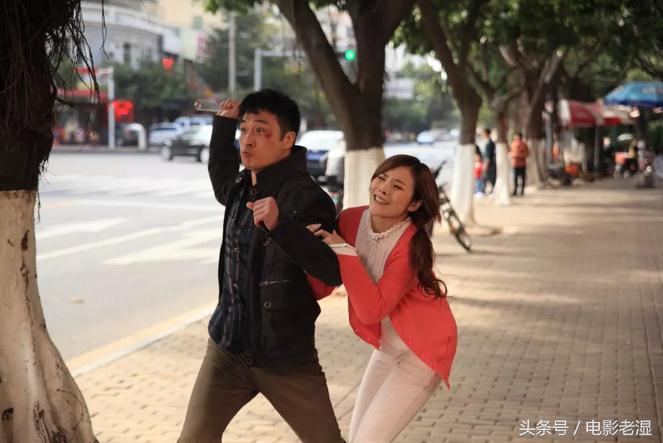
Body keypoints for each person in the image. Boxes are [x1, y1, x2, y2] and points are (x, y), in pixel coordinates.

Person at [178, 89, 344, 443]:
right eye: (244, 130)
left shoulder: (309, 199)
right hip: (227, 348)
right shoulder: (242, 186)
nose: (248, 140)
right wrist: (224, 126)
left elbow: (332, 270)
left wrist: (281, 225)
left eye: (261, 131)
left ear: (288, 139)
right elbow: (221, 176)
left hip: (285, 356)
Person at [309, 155, 457, 442]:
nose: (383, 189)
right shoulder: (350, 220)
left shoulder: (410, 244)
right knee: (358, 437)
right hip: (387, 349)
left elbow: (372, 310)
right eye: (381, 178)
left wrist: (343, 249)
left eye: (397, 186)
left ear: (414, 204)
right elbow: (324, 283)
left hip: (422, 351)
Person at [509, 132, 529, 196]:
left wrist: (517, 155)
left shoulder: (524, 145)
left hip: (522, 164)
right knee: (515, 178)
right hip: (515, 164)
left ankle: (522, 191)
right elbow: (510, 152)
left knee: (522, 178)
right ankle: (515, 190)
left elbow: (527, 154)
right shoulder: (513, 144)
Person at [482, 128, 496, 193]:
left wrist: (486, 164)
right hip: (489, 162)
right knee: (488, 177)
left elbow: (488, 155)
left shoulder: (489, 143)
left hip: (490, 163)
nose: (482, 135)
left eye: (483, 133)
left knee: (488, 176)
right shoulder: (487, 142)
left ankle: (485, 189)